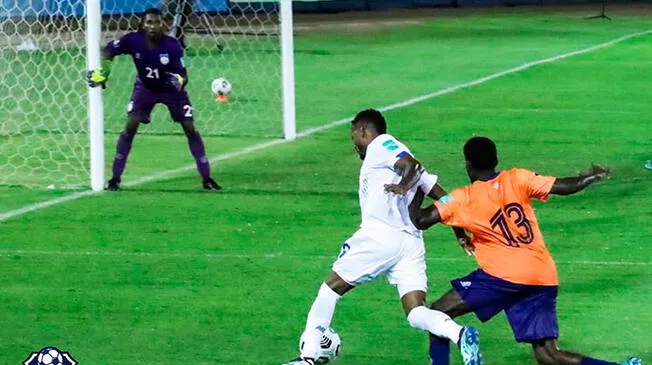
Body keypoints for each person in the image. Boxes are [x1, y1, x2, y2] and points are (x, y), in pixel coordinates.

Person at [405, 136, 642, 365]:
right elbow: (563, 186)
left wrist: (416, 185)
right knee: (548, 356)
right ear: (496, 160)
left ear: (468, 165)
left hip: (503, 277)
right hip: (542, 275)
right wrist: (591, 176)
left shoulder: (463, 198)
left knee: (437, 312)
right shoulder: (517, 178)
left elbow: (421, 219)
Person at [283, 109, 482, 365]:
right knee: (415, 311)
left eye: (353, 134)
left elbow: (412, 167)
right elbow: (444, 198)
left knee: (330, 289)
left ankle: (308, 357)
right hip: (411, 244)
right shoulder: (390, 154)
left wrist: (402, 186)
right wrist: (459, 231)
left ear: (363, 130)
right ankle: (460, 334)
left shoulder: (381, 145)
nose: (354, 142)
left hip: (380, 235)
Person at [87, 8, 221, 191]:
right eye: (149, 22)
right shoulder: (133, 40)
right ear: (143, 24)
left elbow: (183, 74)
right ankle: (115, 179)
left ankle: (207, 178)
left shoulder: (173, 45)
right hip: (145, 89)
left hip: (171, 90)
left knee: (189, 127)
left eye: (157, 22)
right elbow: (109, 50)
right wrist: (104, 72)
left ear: (163, 24)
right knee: (131, 124)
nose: (153, 26)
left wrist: (179, 80)